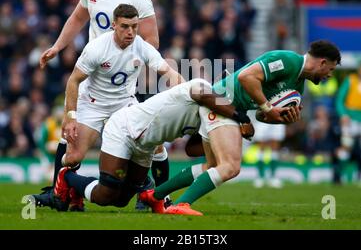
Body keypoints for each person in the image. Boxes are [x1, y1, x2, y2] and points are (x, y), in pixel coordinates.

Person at [35, 0, 170, 209]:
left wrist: (126, 60)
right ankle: (60, 192)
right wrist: (57, 46)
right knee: (71, 145)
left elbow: (152, 40)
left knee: (152, 141)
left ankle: (157, 195)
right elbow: (77, 19)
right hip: (92, 75)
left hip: (121, 84)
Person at [140, 40, 341, 215]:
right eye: (330, 69)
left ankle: (154, 195)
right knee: (231, 166)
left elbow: (263, 116)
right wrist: (268, 107)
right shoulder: (288, 60)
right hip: (221, 102)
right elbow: (246, 77)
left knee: (212, 166)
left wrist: (280, 118)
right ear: (322, 62)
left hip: (229, 109)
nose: (329, 75)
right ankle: (182, 204)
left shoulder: (297, 86)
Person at [48, 79, 254, 213]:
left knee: (120, 201)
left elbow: (191, 149)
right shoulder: (203, 87)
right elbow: (203, 94)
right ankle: (66, 177)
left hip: (145, 147)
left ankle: (75, 187)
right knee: (106, 195)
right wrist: (239, 116)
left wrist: (228, 133)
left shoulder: (208, 116)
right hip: (125, 128)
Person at [335, 61, 361, 184]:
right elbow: (340, 99)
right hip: (350, 119)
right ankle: (338, 177)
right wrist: (343, 114)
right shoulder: (350, 80)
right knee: (346, 146)